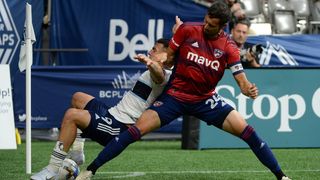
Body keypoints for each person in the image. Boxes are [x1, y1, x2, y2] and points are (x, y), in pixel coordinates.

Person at [76, 1, 291, 180]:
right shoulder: (187, 30)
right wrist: (155, 61)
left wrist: (248, 90)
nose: (205, 26)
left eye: (211, 25)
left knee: (249, 132)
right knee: (135, 131)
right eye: (205, 20)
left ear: (223, 26)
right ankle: (90, 170)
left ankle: (281, 176)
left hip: (206, 101)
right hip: (175, 96)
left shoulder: (229, 49)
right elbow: (168, 60)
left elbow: (242, 82)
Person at [30, 38, 171, 180]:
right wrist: (152, 62)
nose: (149, 52)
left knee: (72, 115)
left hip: (119, 127)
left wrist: (151, 63)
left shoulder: (165, 74)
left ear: (166, 55)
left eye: (154, 49)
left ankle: (52, 169)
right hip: (112, 114)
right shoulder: (155, 69)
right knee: (77, 98)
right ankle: (78, 153)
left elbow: (159, 75)